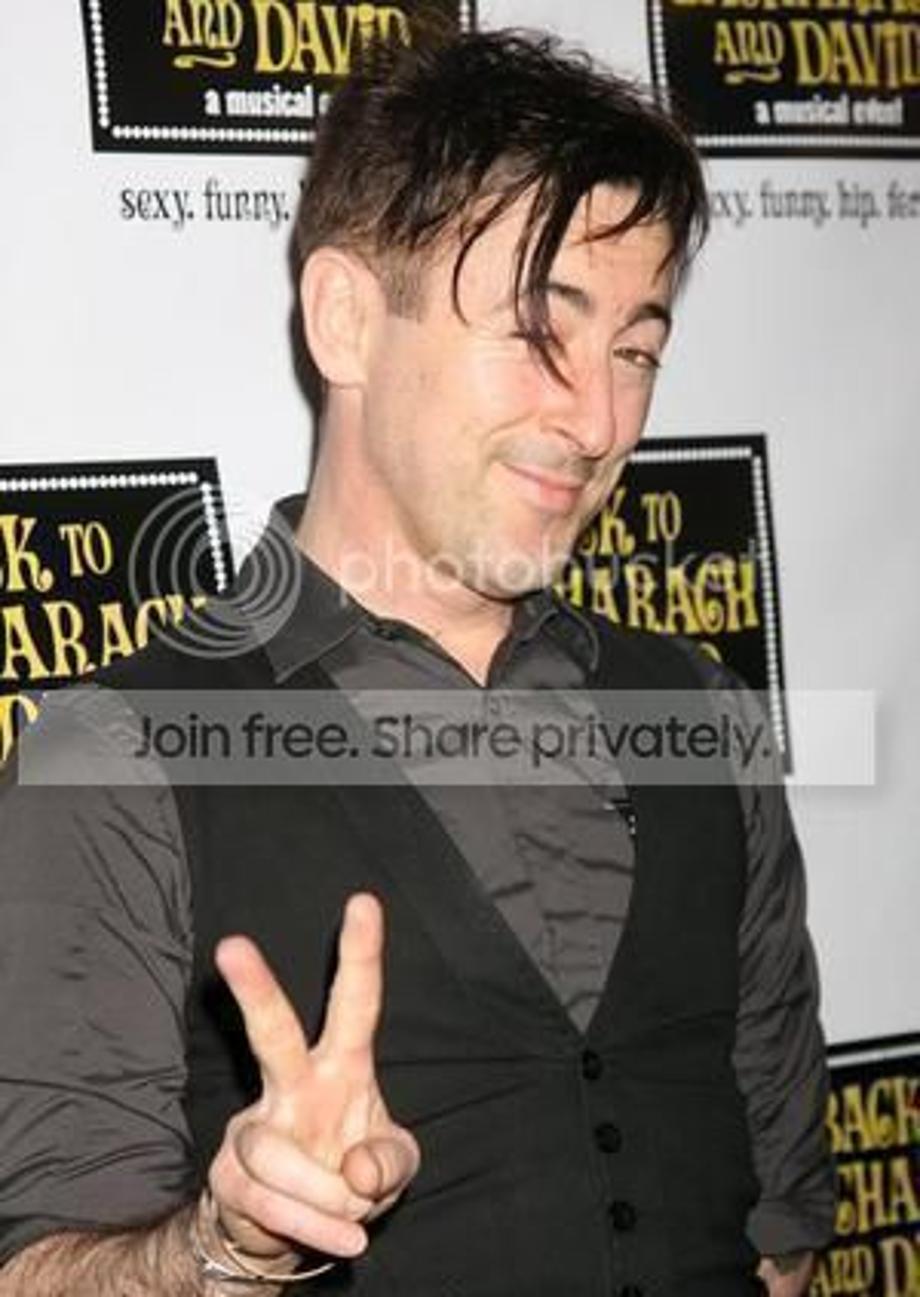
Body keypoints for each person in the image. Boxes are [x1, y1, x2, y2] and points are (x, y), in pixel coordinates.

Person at [0, 28, 834, 1297]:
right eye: (538, 330)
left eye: (634, 352)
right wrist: (226, 1246)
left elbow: (778, 1228)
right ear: (345, 319)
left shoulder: (704, 717)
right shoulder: (111, 760)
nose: (597, 421)